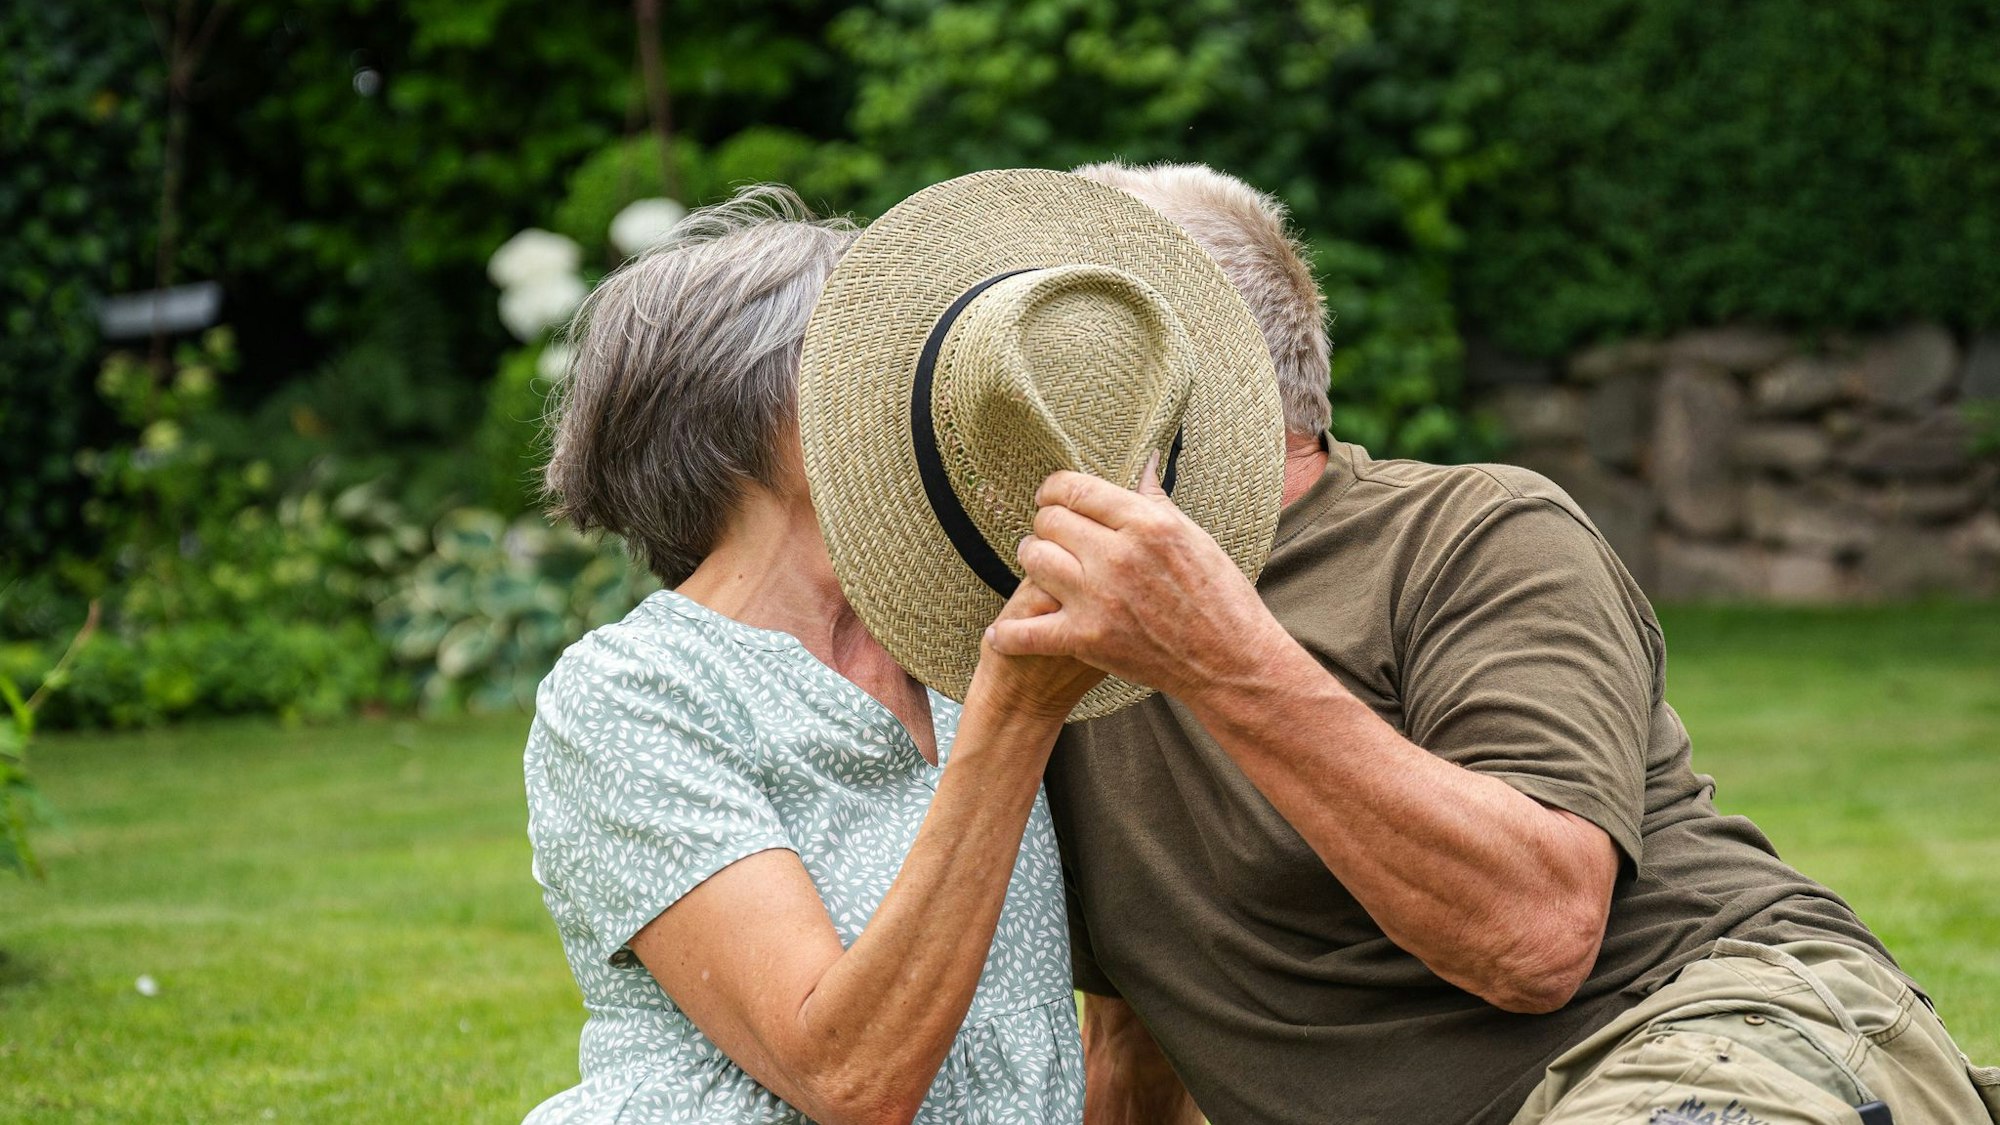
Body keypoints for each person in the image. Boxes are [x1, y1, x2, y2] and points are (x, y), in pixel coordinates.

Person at [982, 161, 2000, 1125]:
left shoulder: (1473, 532)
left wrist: (1217, 658)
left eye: (1074, 362)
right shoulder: (1063, 651)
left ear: (1179, 382)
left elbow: (1536, 935)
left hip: (1704, 1029)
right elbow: (1144, 1022)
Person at [518, 186, 1099, 1125]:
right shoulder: (632, 694)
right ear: (749, 409)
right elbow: (849, 1078)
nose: (919, 377)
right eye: (868, 352)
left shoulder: (959, 636)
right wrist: (1018, 710)